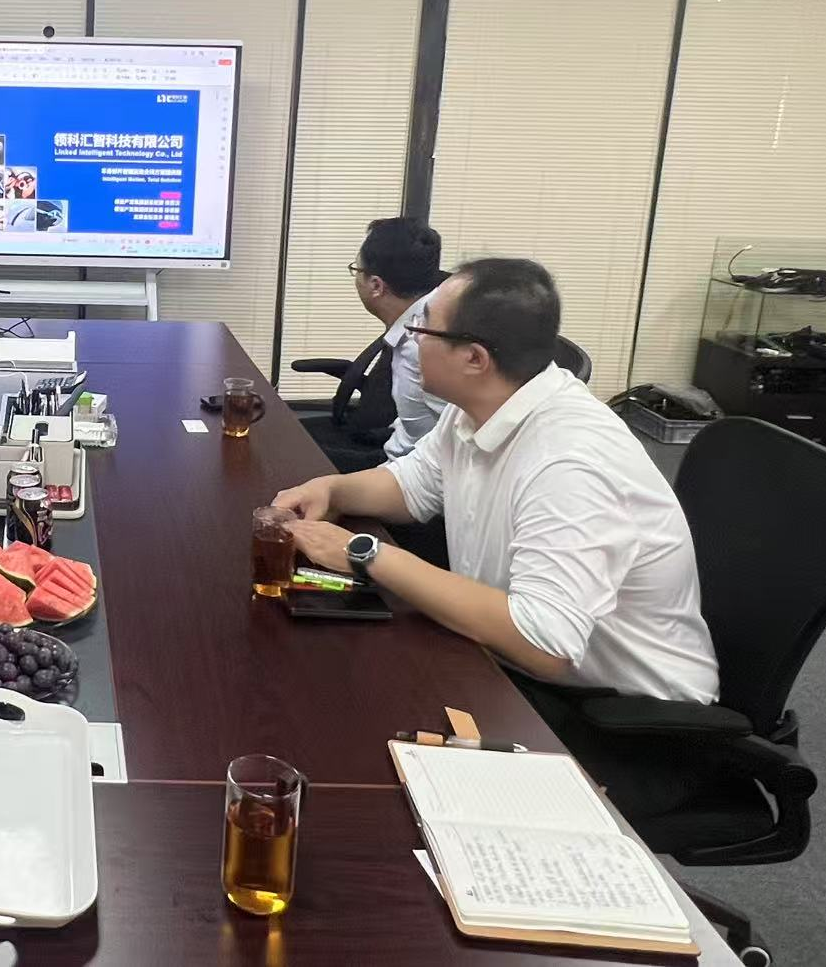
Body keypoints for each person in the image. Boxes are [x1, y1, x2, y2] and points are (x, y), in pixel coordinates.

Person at [272, 258, 719, 815]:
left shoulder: (570, 461)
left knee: (358, 760)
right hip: (508, 664)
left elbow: (546, 644)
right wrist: (333, 490)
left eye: (423, 329)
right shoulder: (481, 408)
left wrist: (367, 554)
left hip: (619, 721)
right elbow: (412, 485)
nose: (410, 340)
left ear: (474, 358)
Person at [308, 218, 448, 475]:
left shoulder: (423, 344)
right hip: (398, 453)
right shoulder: (427, 317)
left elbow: (444, 449)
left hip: (403, 473)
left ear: (375, 285)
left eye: (357, 270)